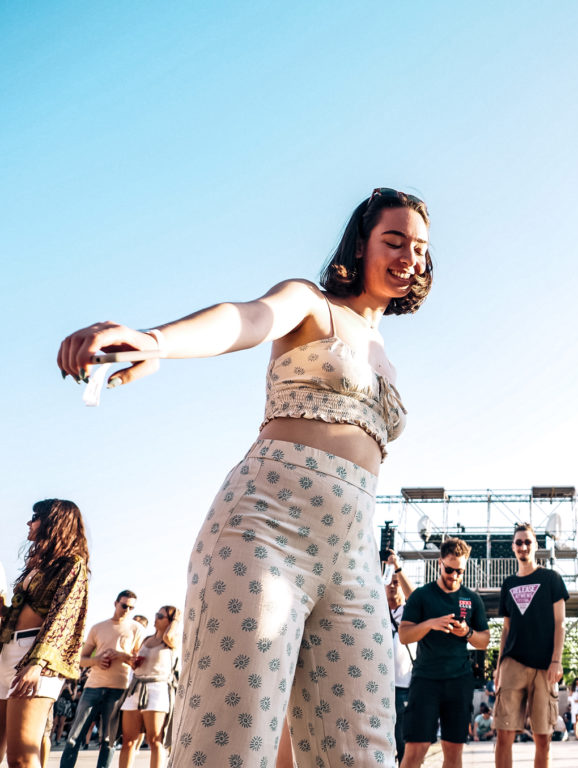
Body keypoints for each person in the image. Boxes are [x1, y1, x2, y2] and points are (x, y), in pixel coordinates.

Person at [57, 188, 433, 768]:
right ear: (361, 245)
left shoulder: (385, 350)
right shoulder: (311, 303)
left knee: (366, 752)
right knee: (231, 744)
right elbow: (248, 318)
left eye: (420, 247)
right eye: (395, 240)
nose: (410, 255)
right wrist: (158, 341)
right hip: (266, 532)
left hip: (354, 560)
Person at [0, 500, 90, 768]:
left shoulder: (72, 565)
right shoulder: (39, 564)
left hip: (36, 657)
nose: (29, 523)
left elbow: (65, 617)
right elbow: (23, 610)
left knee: (21, 757)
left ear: (54, 523)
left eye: (35, 518)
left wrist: (37, 664)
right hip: (8, 651)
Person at [397, 538, 488, 768]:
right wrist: (430, 624)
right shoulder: (421, 596)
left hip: (459, 681)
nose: (455, 575)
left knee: (454, 751)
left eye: (460, 571)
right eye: (449, 569)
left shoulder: (472, 599)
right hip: (425, 680)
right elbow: (404, 635)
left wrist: (466, 632)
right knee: (416, 748)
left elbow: (484, 640)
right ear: (440, 563)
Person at [493, 523, 569, 768]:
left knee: (543, 737)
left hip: (544, 666)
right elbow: (505, 629)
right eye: (518, 542)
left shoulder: (551, 578)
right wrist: (498, 667)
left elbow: (560, 623)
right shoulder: (508, 583)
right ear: (513, 548)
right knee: (504, 734)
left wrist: (556, 660)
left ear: (536, 546)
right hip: (512, 663)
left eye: (528, 542)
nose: (523, 546)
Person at [60, 590, 145, 768]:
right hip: (92, 687)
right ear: (115, 603)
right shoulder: (98, 627)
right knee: (73, 738)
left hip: (118, 690)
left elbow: (139, 664)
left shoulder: (137, 629)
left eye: (131, 607)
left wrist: (121, 655)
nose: (127, 610)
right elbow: (80, 659)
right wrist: (96, 660)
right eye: (124, 605)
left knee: (108, 741)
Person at [118, 606, 181, 768]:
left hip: (157, 688)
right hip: (136, 687)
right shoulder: (146, 640)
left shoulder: (171, 640)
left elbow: (168, 635)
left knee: (154, 739)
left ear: (170, 621)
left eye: (161, 616)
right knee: (128, 740)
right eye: (156, 614)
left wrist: (176, 621)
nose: (156, 618)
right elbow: (137, 666)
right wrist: (131, 660)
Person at [384, 550, 415, 765]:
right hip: (380, 686)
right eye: (390, 581)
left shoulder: (410, 612)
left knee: (403, 739)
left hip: (404, 685)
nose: (393, 585)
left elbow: (416, 597)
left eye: (397, 582)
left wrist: (398, 569)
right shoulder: (376, 611)